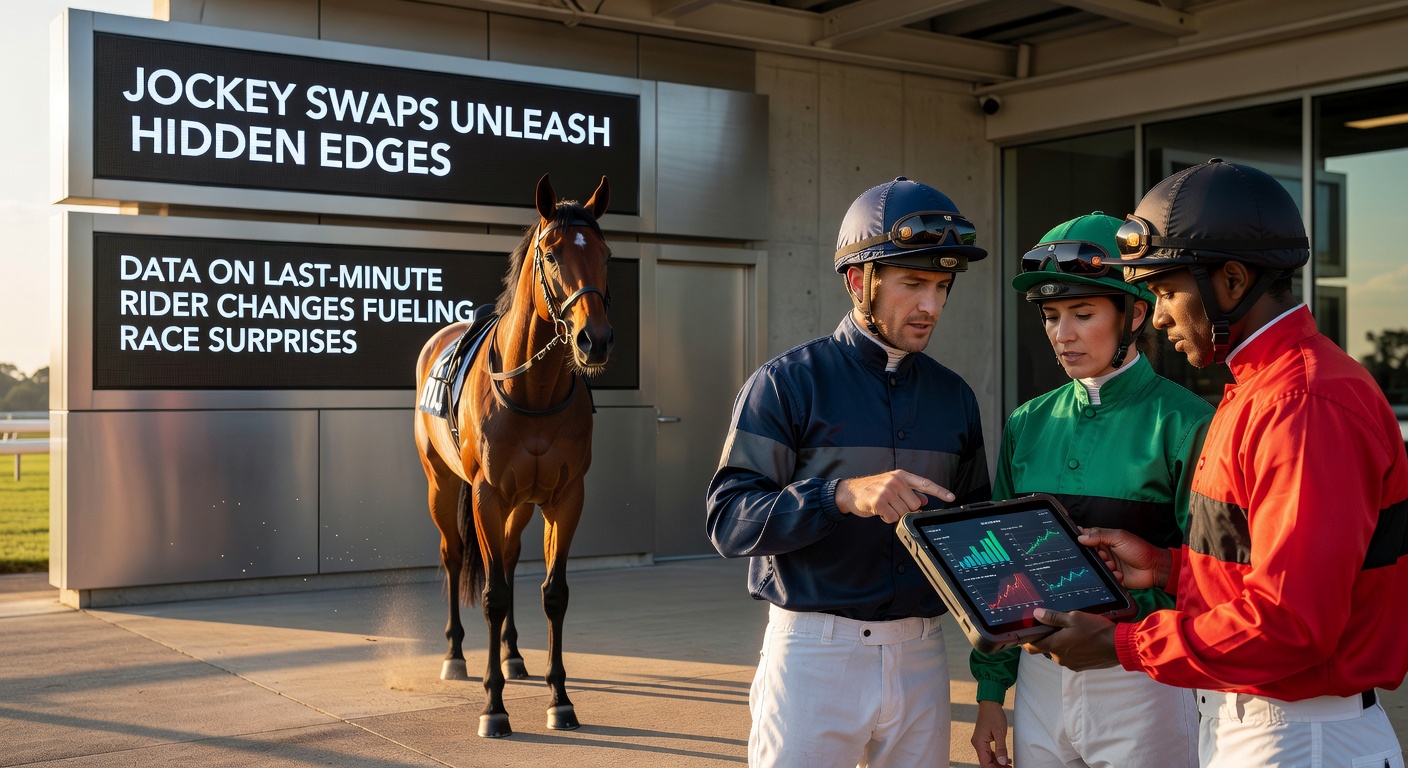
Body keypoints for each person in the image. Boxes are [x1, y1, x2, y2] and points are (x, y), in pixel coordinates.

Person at [1027, 159, 1408, 768]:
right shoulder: (1258, 385)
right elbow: (1262, 568)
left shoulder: (1302, 403)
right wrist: (1167, 568)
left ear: (1232, 279)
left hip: (1297, 735)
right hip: (1256, 724)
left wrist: (1122, 642)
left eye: (1165, 288)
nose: (1157, 314)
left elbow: (1291, 623)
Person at [706, 177, 991, 768]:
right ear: (859, 280)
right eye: (913, 285)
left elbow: (974, 532)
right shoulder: (785, 384)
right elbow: (728, 520)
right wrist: (838, 496)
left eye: (942, 287)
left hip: (922, 656)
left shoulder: (955, 397)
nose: (931, 307)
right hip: (814, 654)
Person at [967, 213, 1213, 768]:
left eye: (1082, 314)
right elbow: (998, 571)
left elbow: (1211, 576)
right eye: (1051, 317)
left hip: (1143, 681)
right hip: (1037, 683)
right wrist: (989, 696)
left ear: (1135, 316)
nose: (1063, 334)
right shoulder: (1026, 422)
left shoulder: (1188, 422)